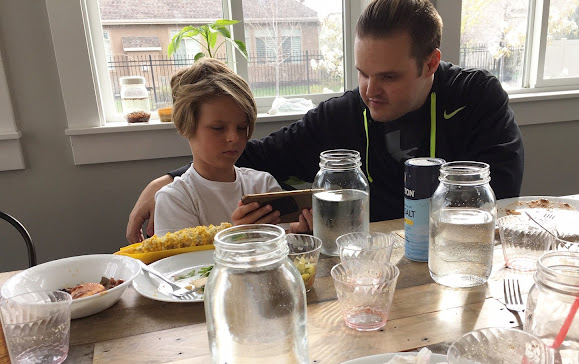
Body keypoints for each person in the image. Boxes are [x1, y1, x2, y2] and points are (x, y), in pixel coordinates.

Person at [127, 0, 523, 243]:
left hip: (456, 254)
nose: (370, 91)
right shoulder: (342, 114)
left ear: (430, 63)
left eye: (388, 77)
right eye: (362, 73)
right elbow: (258, 154)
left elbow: (499, 196)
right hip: (371, 265)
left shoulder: (477, 98)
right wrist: (168, 179)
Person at [152, 58, 312, 237]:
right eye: (218, 128)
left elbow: (284, 244)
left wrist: (297, 234)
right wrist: (237, 238)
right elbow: (182, 256)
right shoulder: (175, 199)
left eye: (242, 128)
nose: (234, 137)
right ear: (185, 126)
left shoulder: (263, 185)